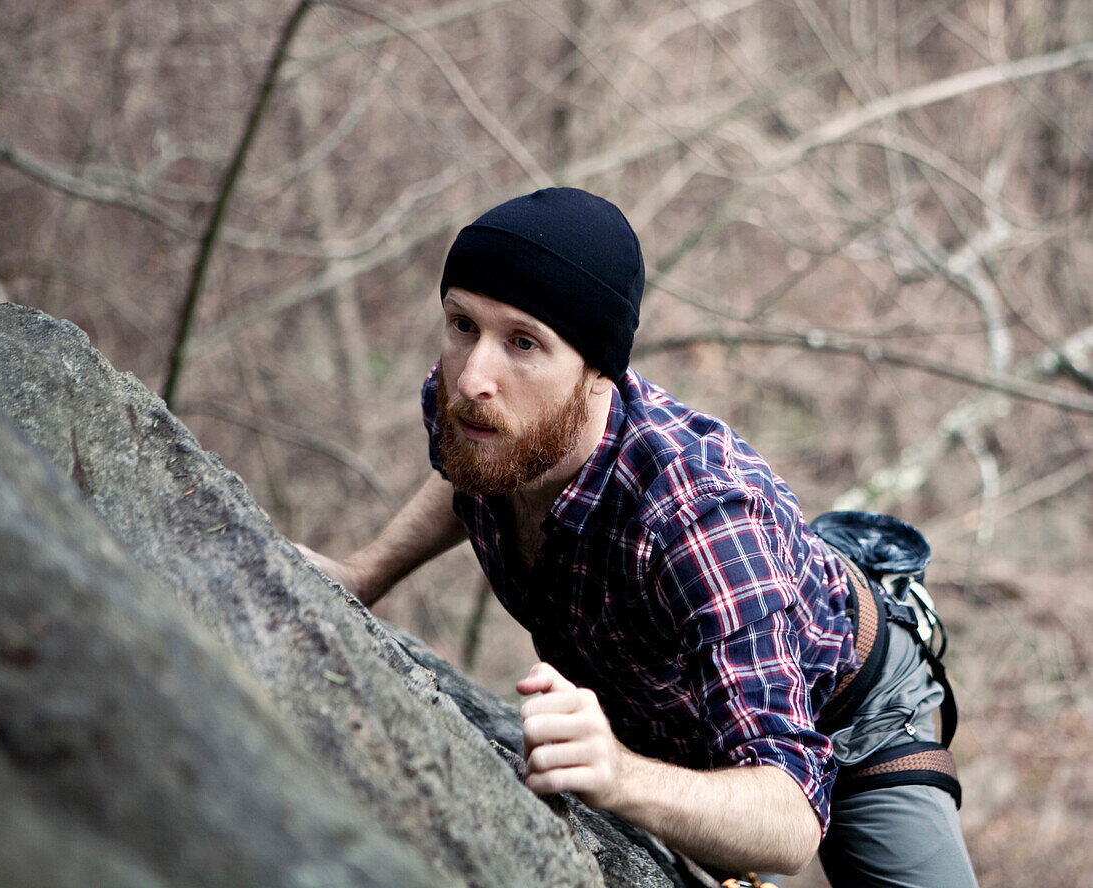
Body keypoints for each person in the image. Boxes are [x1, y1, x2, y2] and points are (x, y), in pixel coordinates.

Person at [298, 187, 978, 886]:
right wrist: (364, 573)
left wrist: (620, 776)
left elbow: (791, 817)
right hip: (680, 702)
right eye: (462, 323)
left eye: (524, 342)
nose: (473, 377)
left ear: (598, 374)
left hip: (846, 711)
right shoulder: (480, 411)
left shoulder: (698, 519)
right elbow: (471, 471)